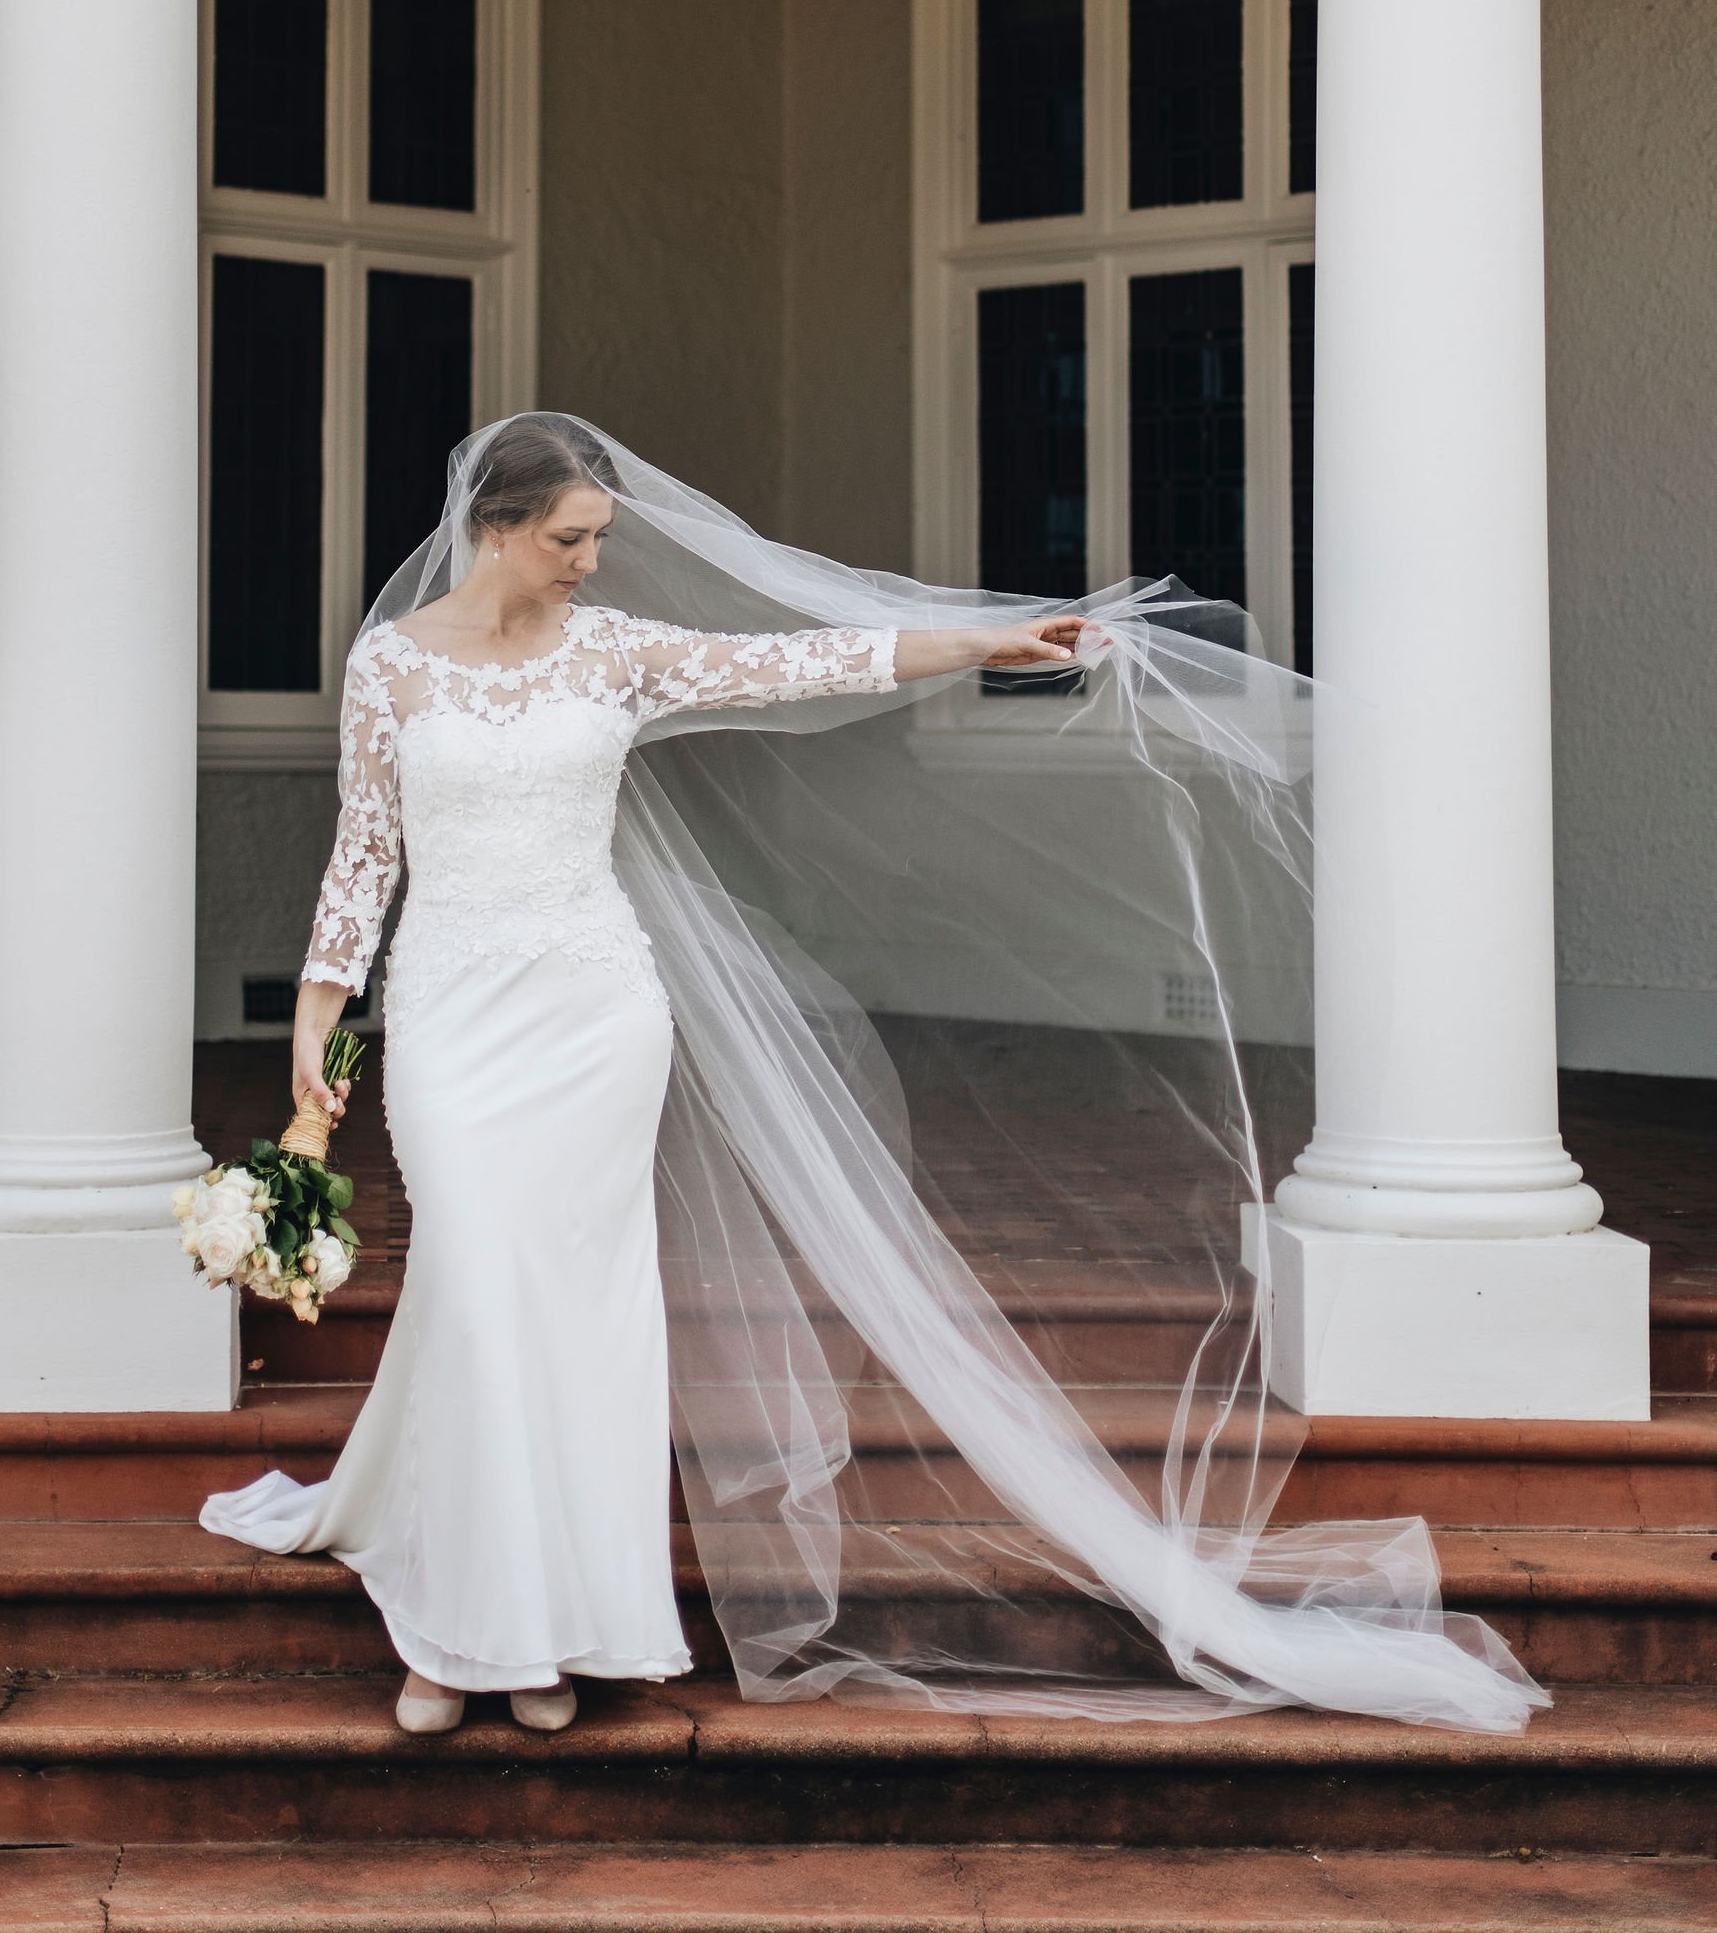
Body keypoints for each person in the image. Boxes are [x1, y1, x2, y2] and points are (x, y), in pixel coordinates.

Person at [202, 413, 1543, 1742]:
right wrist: (323, 1030)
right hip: (449, 1011)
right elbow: (364, 859)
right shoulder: (393, 666)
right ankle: (453, 1629)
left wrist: (977, 644)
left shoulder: (611, 653)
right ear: (492, 528)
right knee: (480, 1286)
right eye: (570, 539)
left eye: (601, 538)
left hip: (595, 1010)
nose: (592, 563)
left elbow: (793, 660)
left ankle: (548, 1623)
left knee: (576, 1311)